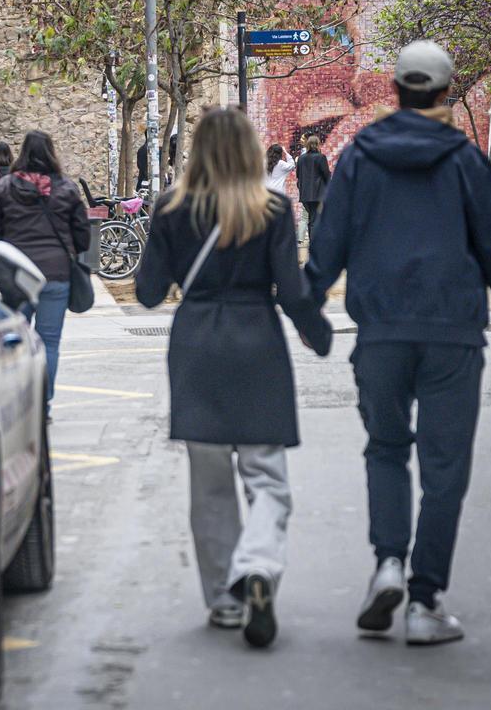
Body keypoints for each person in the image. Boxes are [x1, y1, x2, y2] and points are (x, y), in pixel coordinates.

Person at [306, 40, 491, 645]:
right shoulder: (466, 160)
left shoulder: (359, 158)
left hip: (380, 334)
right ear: (446, 93)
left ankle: (387, 564)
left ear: (396, 91)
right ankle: (425, 601)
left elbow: (329, 244)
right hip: (452, 335)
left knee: (385, 449)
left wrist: (308, 306)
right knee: (445, 466)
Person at [135, 107, 332, 649]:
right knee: (266, 476)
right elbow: (292, 292)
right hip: (256, 343)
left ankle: (224, 599)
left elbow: (149, 292)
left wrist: (168, 251)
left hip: (197, 344)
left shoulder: (171, 209)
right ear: (248, 152)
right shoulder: (270, 208)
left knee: (210, 484)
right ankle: (259, 567)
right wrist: (318, 332)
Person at [0, 131, 89, 419]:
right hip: (56, 274)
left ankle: (14, 402)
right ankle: (44, 405)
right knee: (49, 341)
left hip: (17, 277)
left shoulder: (5, 187)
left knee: (14, 341)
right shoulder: (66, 188)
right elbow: (83, 236)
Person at [295, 135, 331, 241]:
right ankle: (315, 243)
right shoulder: (321, 157)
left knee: (311, 219)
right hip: (318, 193)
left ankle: (313, 242)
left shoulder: (301, 158)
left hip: (305, 193)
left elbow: (298, 175)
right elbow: (326, 175)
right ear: (318, 144)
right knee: (316, 218)